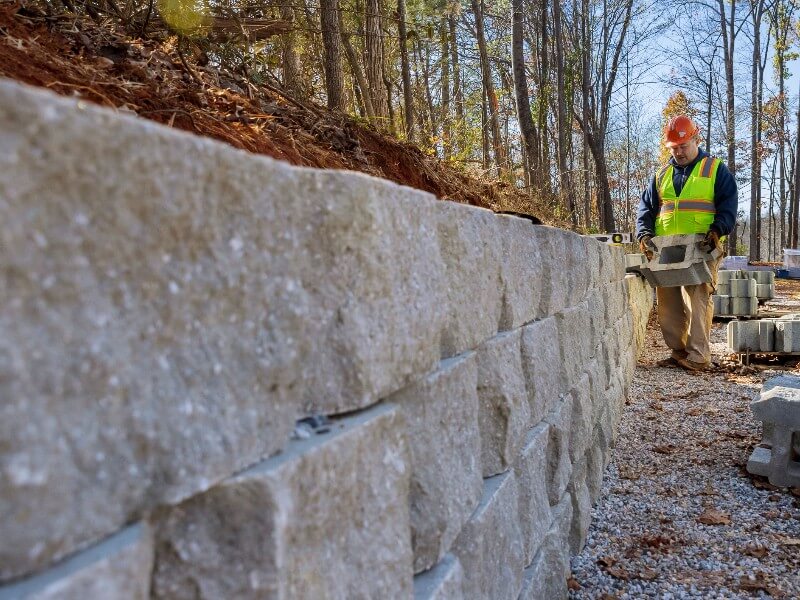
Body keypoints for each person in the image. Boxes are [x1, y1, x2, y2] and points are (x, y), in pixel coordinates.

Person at [636, 114, 738, 371]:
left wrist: (718, 230)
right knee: (668, 300)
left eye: (683, 146)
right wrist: (644, 234)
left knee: (698, 298)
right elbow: (646, 209)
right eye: (674, 148)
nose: (679, 153)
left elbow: (728, 206)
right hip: (667, 245)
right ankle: (678, 351)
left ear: (696, 139)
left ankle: (698, 356)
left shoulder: (715, 169)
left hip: (703, 243)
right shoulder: (661, 175)